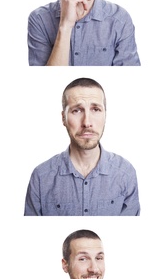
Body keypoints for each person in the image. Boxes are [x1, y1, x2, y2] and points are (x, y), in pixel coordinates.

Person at [24, 77, 139, 215]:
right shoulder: (41, 177)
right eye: (77, 111)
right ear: (63, 118)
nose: (87, 122)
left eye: (95, 109)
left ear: (105, 115)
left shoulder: (125, 173)